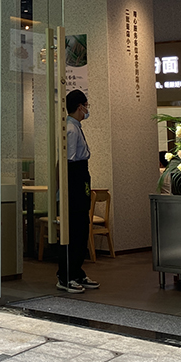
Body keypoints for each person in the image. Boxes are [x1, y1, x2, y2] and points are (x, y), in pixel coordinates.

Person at [56, 89, 99, 293]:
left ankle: (77, 271)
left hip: (80, 177)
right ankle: (66, 275)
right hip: (74, 179)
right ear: (80, 106)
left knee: (81, 227)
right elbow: (68, 160)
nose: (87, 109)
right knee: (74, 229)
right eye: (86, 105)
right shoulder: (71, 129)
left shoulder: (75, 126)